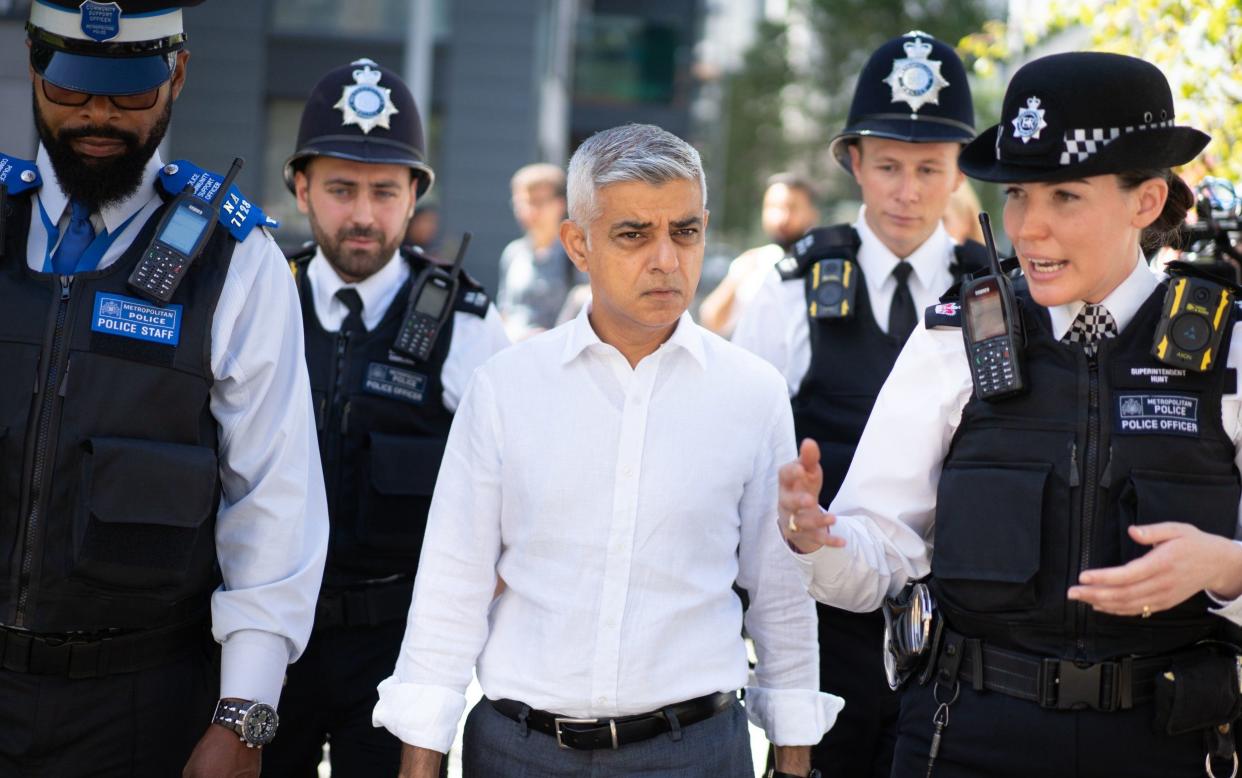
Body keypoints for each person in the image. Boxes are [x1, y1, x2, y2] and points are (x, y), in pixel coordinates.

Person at [779, 51, 1242, 778]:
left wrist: (1229, 567)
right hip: (968, 739)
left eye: (1065, 198)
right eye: (1019, 196)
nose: (1028, 229)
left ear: (1145, 202)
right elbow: (883, 554)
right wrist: (819, 539)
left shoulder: (1231, 349)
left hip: (1171, 746)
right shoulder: (953, 340)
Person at [374, 123, 840, 778]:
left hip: (696, 752)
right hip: (517, 751)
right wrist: (419, 764)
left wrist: (791, 762)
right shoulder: (507, 387)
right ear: (578, 244)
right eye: (633, 233)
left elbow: (780, 600)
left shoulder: (752, 394)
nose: (667, 259)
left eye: (684, 231)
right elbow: (451, 588)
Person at [0, 1, 328, 775]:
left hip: (140, 703)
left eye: (130, 93)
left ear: (177, 74)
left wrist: (244, 716)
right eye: (73, 90)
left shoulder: (235, 259)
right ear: (33, 69)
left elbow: (273, 499)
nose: (99, 116)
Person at [732, 31, 984, 778]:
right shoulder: (787, 292)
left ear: (958, 170)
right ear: (853, 162)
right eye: (888, 166)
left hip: (960, 641)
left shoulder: (999, 300)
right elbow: (746, 472)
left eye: (929, 168)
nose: (907, 191)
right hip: (820, 628)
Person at [262, 59, 510, 778]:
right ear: (301, 187)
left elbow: (510, 496)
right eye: (341, 190)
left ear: (415, 197)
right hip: (268, 646)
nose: (363, 215)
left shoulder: (464, 322)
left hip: (397, 652)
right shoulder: (258, 302)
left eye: (384, 191)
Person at [699, 172, 821, 336]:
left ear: (812, 214)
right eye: (773, 207)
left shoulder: (826, 266)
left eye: (791, 207)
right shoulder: (753, 262)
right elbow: (711, 320)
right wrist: (737, 277)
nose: (781, 217)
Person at [496, 162, 578, 340]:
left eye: (538, 202)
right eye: (522, 203)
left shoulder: (576, 254)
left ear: (560, 204)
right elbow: (504, 312)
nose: (529, 211)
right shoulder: (512, 253)